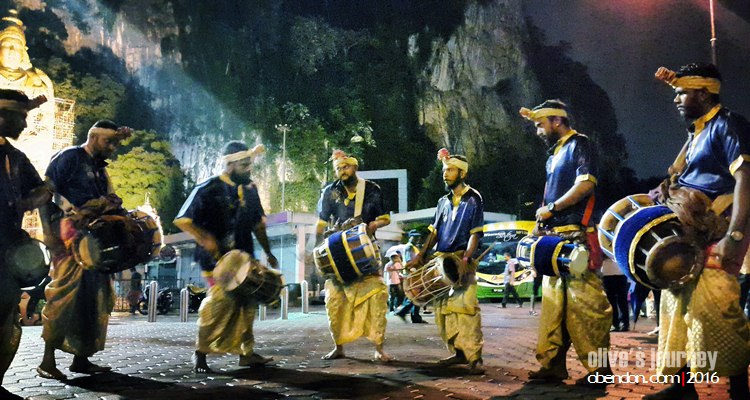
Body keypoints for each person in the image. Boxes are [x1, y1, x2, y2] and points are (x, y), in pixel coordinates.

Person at [643, 63, 750, 400]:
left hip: (715, 231)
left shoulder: (728, 124)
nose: (676, 99)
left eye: (682, 92)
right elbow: (680, 173)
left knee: (715, 309)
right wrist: (665, 188)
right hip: (689, 232)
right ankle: (682, 388)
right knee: (676, 309)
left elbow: (746, 177)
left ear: (703, 93)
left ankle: (739, 390)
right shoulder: (697, 131)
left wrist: (734, 237)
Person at [519, 100, 613, 385]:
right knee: (553, 308)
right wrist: (542, 221)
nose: (538, 131)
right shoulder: (554, 155)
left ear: (556, 121)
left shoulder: (579, 144)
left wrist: (554, 208)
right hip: (553, 239)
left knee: (586, 307)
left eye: (539, 124)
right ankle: (553, 365)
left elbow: (586, 184)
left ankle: (600, 371)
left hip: (576, 236)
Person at [37, 120, 132, 380]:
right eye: (108, 142)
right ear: (92, 137)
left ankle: (81, 359)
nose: (112, 147)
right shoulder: (70, 157)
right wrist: (48, 233)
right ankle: (47, 360)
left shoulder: (101, 170)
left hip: (94, 238)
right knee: (64, 294)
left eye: (114, 143)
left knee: (95, 298)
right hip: (68, 234)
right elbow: (46, 194)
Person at [174, 141, 278, 373]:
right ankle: (200, 353)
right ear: (229, 164)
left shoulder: (250, 189)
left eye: (249, 164)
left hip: (245, 257)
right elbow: (182, 219)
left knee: (247, 306)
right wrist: (206, 239)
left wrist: (268, 251)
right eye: (244, 165)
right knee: (219, 306)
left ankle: (246, 353)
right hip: (216, 261)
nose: (249, 169)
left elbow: (257, 224)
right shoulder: (208, 188)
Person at [406, 148, 484, 374]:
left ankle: (475, 358)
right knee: (442, 312)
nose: (445, 174)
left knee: (466, 309)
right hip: (441, 261)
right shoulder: (442, 201)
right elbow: (434, 232)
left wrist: (467, 257)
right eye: (444, 170)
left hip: (461, 259)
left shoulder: (473, 198)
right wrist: (420, 255)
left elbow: (475, 232)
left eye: (450, 170)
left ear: (462, 173)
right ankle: (458, 353)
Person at [316, 149, 391, 361]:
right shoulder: (329, 191)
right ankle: (338, 347)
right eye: (338, 168)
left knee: (377, 297)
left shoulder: (372, 189)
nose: (342, 171)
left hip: (365, 251)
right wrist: (317, 243)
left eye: (346, 167)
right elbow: (322, 222)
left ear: (355, 167)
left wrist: (371, 225)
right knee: (334, 301)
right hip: (337, 252)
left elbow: (385, 218)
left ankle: (379, 348)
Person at [0, 89, 51, 397]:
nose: (25, 125)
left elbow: (42, 190)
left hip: (5, 255)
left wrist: (33, 197)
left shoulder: (16, 157)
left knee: (4, 319)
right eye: (20, 117)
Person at [394, 232, 427, 323]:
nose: (417, 239)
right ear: (410, 237)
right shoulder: (409, 247)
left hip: (413, 272)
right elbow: (409, 260)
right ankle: (405, 312)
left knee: (415, 294)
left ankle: (413, 315)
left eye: (418, 237)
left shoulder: (413, 247)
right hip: (412, 272)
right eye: (415, 237)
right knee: (416, 294)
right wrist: (413, 270)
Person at [601, 258, 629, 332]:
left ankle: (624, 323)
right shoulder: (602, 245)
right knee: (610, 301)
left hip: (621, 273)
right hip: (607, 274)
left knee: (622, 300)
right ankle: (614, 323)